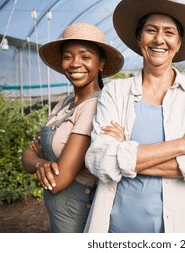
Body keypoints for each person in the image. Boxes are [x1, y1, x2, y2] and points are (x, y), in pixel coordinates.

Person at [84, 0, 185, 233]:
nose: (159, 39)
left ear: (178, 44)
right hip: (119, 229)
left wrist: (124, 153)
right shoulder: (115, 92)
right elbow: (99, 161)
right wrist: (184, 144)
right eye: (151, 30)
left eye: (169, 32)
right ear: (139, 39)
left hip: (184, 229)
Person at [21, 23, 124, 232]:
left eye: (85, 57)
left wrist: (38, 161)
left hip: (77, 211)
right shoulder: (65, 103)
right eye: (68, 56)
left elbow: (59, 181)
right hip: (58, 211)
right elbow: (27, 158)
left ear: (101, 63)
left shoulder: (95, 106)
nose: (75, 63)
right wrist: (41, 164)